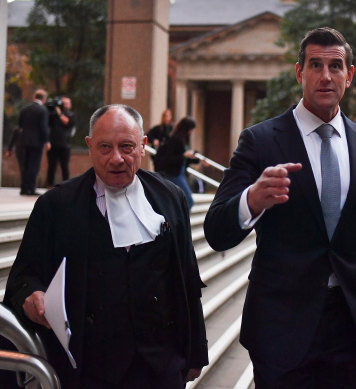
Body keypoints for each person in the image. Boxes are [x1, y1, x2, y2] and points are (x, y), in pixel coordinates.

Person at [204, 27, 356, 388]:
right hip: (280, 329)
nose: (326, 76)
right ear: (300, 72)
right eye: (315, 65)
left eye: (335, 66)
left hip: (351, 327)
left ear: (349, 75)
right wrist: (252, 199)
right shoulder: (260, 141)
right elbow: (216, 231)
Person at [4, 104, 208, 389]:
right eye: (104, 147)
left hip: (160, 365)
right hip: (89, 368)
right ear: (89, 146)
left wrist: (196, 351)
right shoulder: (56, 206)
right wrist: (32, 295)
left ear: (142, 146)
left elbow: (187, 276)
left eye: (126, 146)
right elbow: (23, 277)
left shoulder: (170, 197)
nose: (116, 159)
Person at [153, 116, 202, 210]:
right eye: (191, 129)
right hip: (173, 174)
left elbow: (184, 159)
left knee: (182, 201)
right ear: (187, 129)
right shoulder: (175, 140)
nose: (192, 132)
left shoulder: (182, 140)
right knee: (188, 201)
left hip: (179, 173)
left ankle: (178, 221)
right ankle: (179, 222)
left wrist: (198, 160)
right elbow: (170, 158)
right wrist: (184, 155)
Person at [19, 89, 50, 196]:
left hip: (24, 140)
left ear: (34, 97)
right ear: (43, 99)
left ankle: (23, 187)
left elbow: (20, 124)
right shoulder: (42, 110)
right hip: (36, 142)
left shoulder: (25, 109)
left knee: (25, 164)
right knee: (34, 165)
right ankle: (31, 188)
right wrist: (46, 141)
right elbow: (43, 127)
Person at [46, 96, 76, 187]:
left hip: (64, 145)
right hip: (53, 144)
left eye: (67, 103)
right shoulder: (53, 115)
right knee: (51, 166)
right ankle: (49, 185)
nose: (65, 105)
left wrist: (59, 114)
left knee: (64, 167)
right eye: (63, 103)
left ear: (70, 105)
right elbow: (47, 123)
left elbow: (67, 122)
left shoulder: (71, 115)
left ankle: (66, 186)